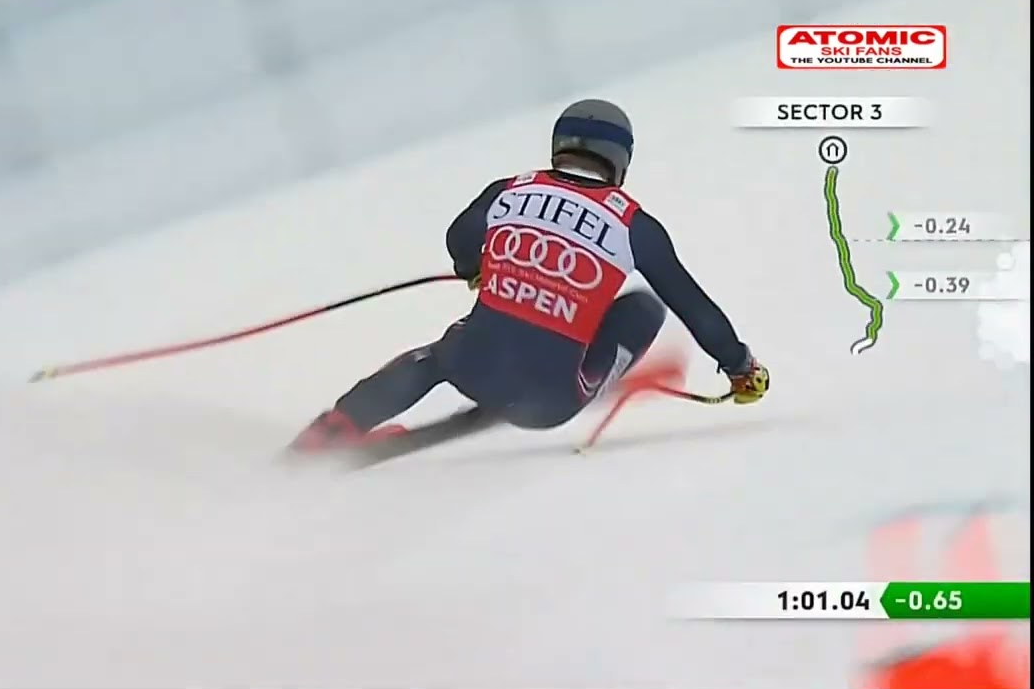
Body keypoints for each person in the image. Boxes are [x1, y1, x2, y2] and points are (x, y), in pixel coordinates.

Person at [289, 99, 769, 452]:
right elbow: (696, 310)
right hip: (553, 401)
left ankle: (339, 426)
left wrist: (473, 268)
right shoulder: (633, 226)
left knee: (435, 358)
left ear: (559, 147)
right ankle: (588, 376)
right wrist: (740, 368)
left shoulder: (511, 191)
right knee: (644, 306)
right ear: (620, 161)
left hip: (471, 367)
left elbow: (460, 237)